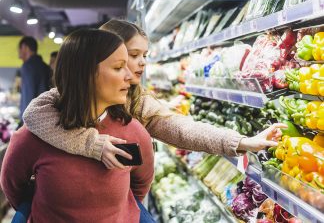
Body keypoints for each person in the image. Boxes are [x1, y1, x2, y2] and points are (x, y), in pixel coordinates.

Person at [23, 19, 286, 170]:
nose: (140, 64)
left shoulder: (136, 101)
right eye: (131, 56)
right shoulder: (62, 100)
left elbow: (182, 129)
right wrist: (92, 144)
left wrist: (241, 141)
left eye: (143, 56)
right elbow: (35, 115)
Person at [1, 29, 155, 223]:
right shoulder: (32, 137)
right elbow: (13, 186)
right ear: (85, 74)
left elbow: (141, 184)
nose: (129, 75)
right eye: (118, 67)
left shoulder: (133, 131)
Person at [18, 36, 51, 123]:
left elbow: (28, 95)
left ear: (25, 47)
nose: (19, 52)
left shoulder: (27, 66)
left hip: (31, 120)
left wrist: (23, 121)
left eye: (20, 48)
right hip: (44, 117)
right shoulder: (45, 67)